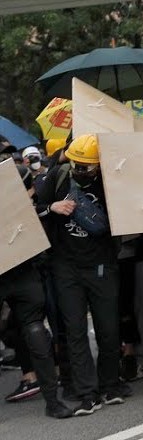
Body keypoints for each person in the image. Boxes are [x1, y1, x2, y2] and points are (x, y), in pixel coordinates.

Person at [35, 134, 131, 415]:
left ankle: (110, 384)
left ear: (100, 165)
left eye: (87, 167)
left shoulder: (112, 180)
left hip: (102, 264)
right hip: (65, 265)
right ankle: (87, 393)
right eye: (77, 164)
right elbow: (32, 209)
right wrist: (52, 207)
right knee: (75, 331)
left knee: (108, 327)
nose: (81, 171)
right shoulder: (58, 176)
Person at [1, 164, 73, 419]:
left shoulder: (11, 180)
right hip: (23, 268)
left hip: (22, 270)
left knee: (35, 332)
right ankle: (53, 402)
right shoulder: (13, 183)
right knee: (35, 331)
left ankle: (53, 401)